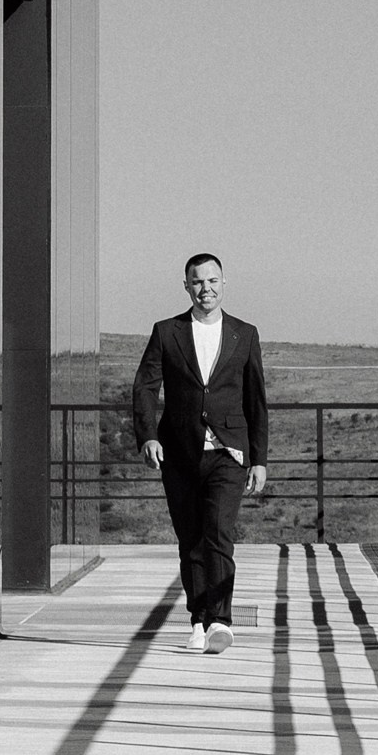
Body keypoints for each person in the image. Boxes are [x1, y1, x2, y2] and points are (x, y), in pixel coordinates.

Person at [133, 254, 268, 653]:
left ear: (225, 283)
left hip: (228, 453)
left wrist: (259, 458)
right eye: (197, 282)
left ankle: (221, 620)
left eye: (212, 280)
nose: (205, 288)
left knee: (218, 533)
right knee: (190, 538)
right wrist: (147, 437)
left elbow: (256, 400)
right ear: (186, 287)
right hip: (179, 453)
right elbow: (144, 387)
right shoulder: (167, 332)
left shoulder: (245, 334)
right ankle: (198, 619)